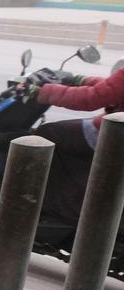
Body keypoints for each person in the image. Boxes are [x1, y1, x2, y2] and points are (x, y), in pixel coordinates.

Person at [28, 62, 124, 223]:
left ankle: (29, 200)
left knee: (48, 133)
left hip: (114, 135)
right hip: (117, 131)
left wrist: (42, 92)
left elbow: (91, 98)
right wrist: (81, 79)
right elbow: (112, 88)